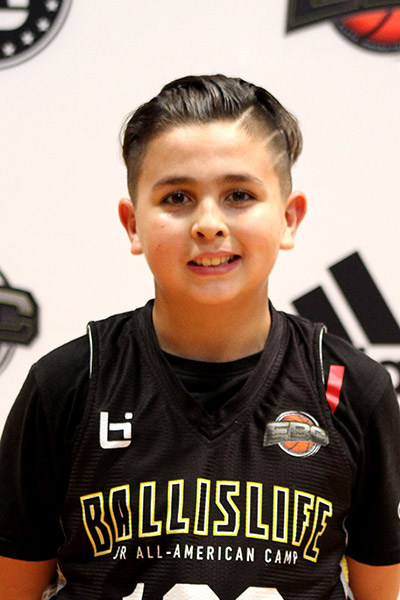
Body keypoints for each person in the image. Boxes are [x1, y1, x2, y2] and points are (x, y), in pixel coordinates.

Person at [0, 75, 399, 600]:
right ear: (132, 224)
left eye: (239, 195)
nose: (208, 224)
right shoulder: (68, 384)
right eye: (177, 197)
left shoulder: (353, 389)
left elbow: (382, 590)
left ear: (288, 218)